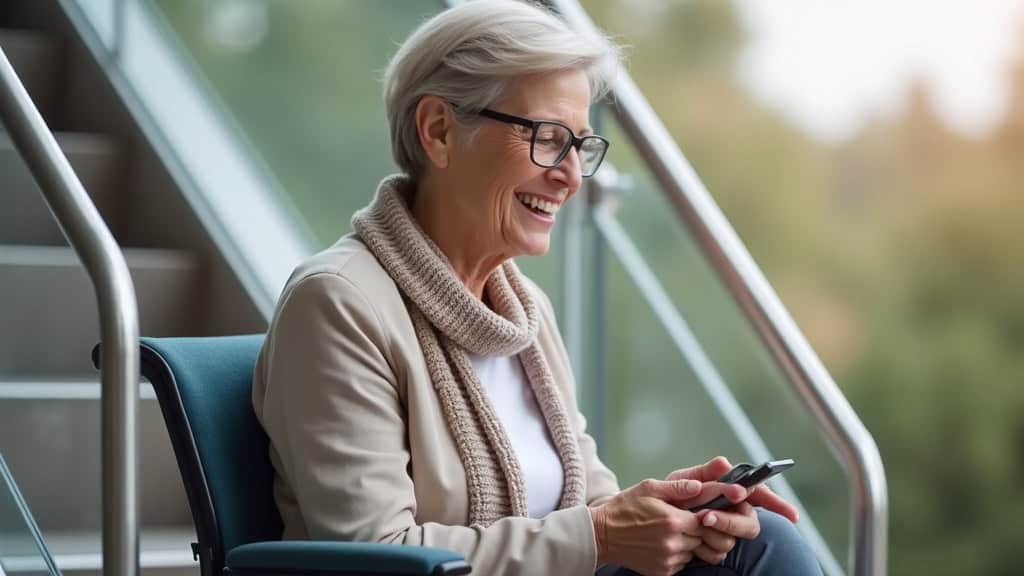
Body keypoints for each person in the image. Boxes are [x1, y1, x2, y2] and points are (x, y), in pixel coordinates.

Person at [252, 1, 822, 575]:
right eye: (549, 138)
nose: (572, 175)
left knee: (760, 540)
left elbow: (587, 509)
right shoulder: (338, 304)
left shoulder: (524, 311)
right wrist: (601, 535)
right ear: (439, 131)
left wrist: (673, 511)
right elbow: (375, 555)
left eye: (582, 147)